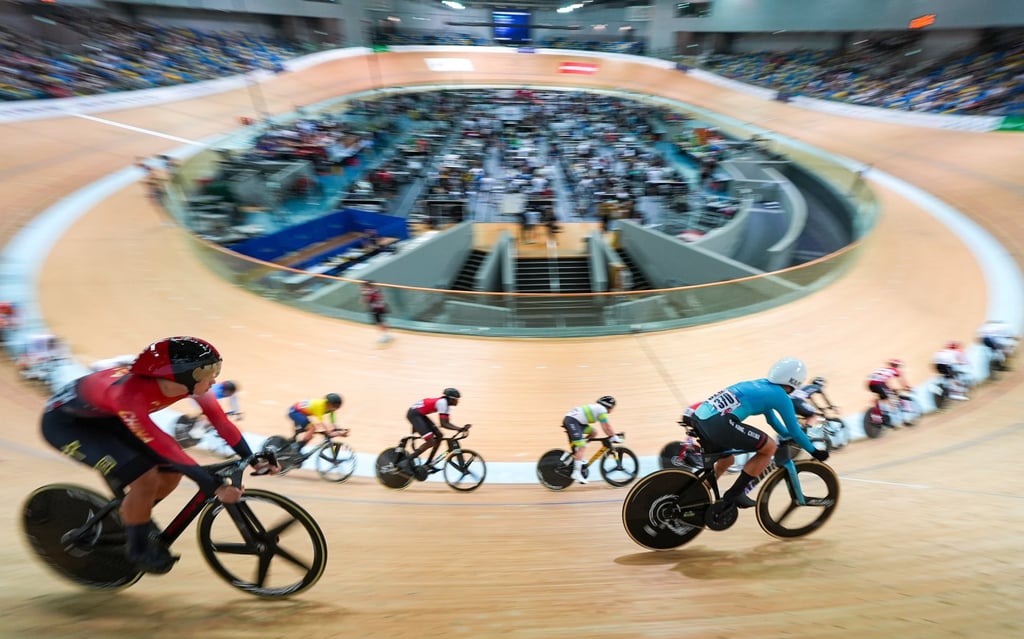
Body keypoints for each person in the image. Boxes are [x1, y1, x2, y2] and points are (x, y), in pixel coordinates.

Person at [40, 336, 276, 574]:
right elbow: (165, 446)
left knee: (171, 473)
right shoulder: (128, 395)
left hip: (108, 416)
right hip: (66, 425)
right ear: (180, 375)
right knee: (145, 479)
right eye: (207, 370)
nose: (214, 377)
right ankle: (138, 550)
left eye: (215, 368)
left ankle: (133, 516)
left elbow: (221, 422)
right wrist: (213, 485)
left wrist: (252, 457)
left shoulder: (191, 386)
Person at [690, 358, 827, 509]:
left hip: (700, 418)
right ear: (795, 382)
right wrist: (815, 451)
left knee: (726, 461)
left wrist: (786, 435)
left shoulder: (761, 385)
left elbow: (773, 421)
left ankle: (693, 498)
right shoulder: (781, 396)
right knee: (769, 448)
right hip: (719, 424)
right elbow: (795, 431)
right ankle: (734, 495)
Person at [404, 388, 469, 472]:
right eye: (456, 400)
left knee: (439, 436)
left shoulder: (446, 406)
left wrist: (460, 428)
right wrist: (459, 429)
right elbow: (443, 424)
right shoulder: (442, 403)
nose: (458, 401)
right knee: (430, 441)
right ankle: (407, 461)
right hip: (414, 414)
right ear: (451, 399)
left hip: (420, 414)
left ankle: (429, 463)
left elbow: (447, 423)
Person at [562, 396, 620, 484]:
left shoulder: (599, 408)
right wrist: (613, 436)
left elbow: (605, 428)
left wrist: (611, 435)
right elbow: (606, 427)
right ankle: (576, 473)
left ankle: (578, 454)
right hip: (572, 421)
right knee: (582, 446)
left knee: (594, 433)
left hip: (577, 422)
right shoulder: (602, 410)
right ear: (610, 406)